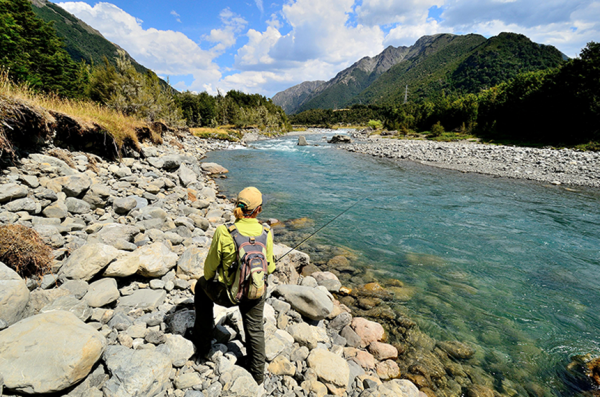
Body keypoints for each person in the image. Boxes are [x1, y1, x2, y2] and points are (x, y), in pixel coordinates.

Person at [193, 186, 274, 385]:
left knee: (200, 287)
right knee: (255, 328)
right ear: (259, 210)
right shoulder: (266, 232)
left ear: (237, 205)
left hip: (228, 295)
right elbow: (270, 268)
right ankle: (257, 374)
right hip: (255, 292)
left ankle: (202, 347)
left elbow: (208, 271)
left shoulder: (224, 231)